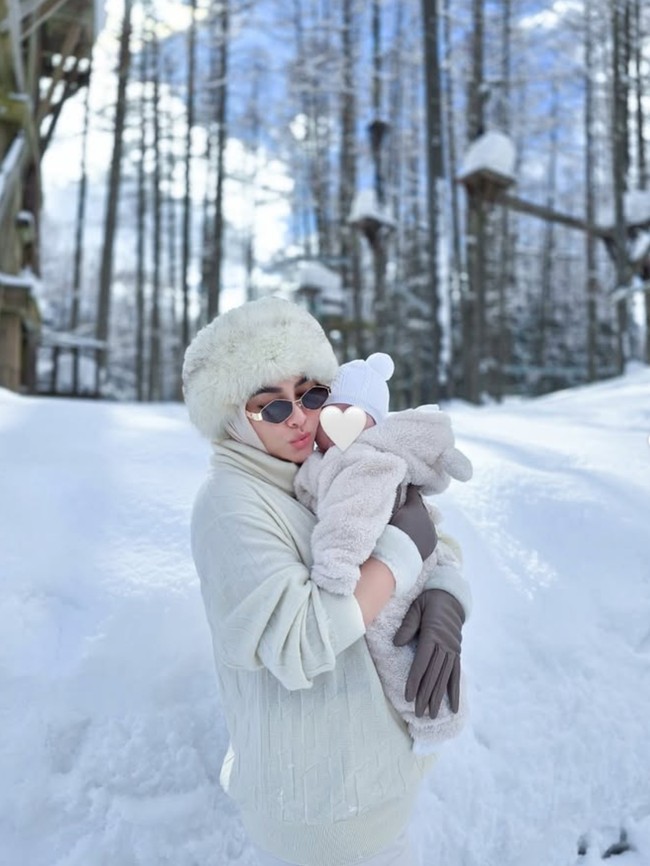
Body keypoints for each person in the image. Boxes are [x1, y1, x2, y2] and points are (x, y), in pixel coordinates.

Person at [182, 297, 472, 866]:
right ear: (234, 417)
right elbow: (298, 640)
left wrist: (446, 596)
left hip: (371, 791)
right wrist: (400, 555)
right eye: (270, 407)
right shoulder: (231, 505)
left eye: (311, 395)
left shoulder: (315, 470)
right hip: (322, 816)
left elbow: (431, 540)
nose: (298, 417)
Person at [294, 352, 473, 753]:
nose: (342, 425)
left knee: (400, 647)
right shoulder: (320, 462)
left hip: (377, 575)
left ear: (375, 423)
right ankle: (436, 721)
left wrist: (448, 589)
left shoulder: (361, 461)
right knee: (407, 649)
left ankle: (435, 721)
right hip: (383, 573)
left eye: (357, 415)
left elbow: (350, 519)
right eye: (332, 412)